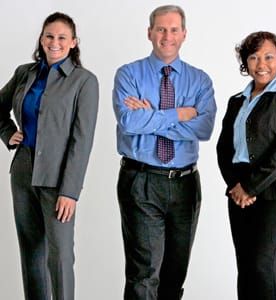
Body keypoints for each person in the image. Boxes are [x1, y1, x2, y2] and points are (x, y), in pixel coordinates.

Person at [112, 5, 216, 300]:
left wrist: (154, 116)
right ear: (149, 33)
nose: (166, 36)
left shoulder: (200, 80)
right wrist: (181, 113)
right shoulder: (128, 75)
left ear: (184, 34)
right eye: (160, 29)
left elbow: (204, 128)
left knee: (175, 273)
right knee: (144, 274)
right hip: (141, 181)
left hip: (185, 185)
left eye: (173, 30)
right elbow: (130, 122)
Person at [0, 12, 99, 300]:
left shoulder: (84, 82)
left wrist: (70, 191)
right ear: (42, 39)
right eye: (49, 36)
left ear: (73, 43)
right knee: (30, 251)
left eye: (61, 37)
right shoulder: (24, 73)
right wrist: (8, 133)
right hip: (23, 171)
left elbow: (82, 141)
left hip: (58, 180)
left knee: (60, 256)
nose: (54, 42)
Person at [216, 31, 276, 300]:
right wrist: (236, 186)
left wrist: (250, 186)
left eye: (268, 57)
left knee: (263, 266)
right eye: (253, 57)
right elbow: (224, 148)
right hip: (238, 191)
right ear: (246, 62)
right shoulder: (237, 101)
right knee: (245, 267)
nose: (261, 63)